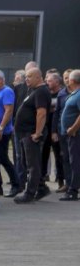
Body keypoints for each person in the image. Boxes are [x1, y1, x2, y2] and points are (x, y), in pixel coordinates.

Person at [14, 68, 50, 203]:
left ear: (38, 77)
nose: (26, 79)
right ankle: (41, 188)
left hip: (31, 133)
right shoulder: (33, 91)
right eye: (26, 77)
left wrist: (38, 133)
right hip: (24, 133)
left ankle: (29, 193)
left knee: (32, 164)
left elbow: (41, 113)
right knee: (25, 162)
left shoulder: (41, 91)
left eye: (29, 76)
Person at [0, 70, 20, 197]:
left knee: (2, 158)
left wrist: (1, 128)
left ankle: (16, 184)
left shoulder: (7, 91)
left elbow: (9, 111)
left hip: (2, 132)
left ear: (1, 79)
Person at [60, 69, 80, 201]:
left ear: (72, 81)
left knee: (75, 162)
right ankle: (72, 188)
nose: (66, 81)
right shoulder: (75, 93)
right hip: (70, 134)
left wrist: (73, 128)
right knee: (72, 161)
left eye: (68, 79)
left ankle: (73, 190)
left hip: (75, 135)